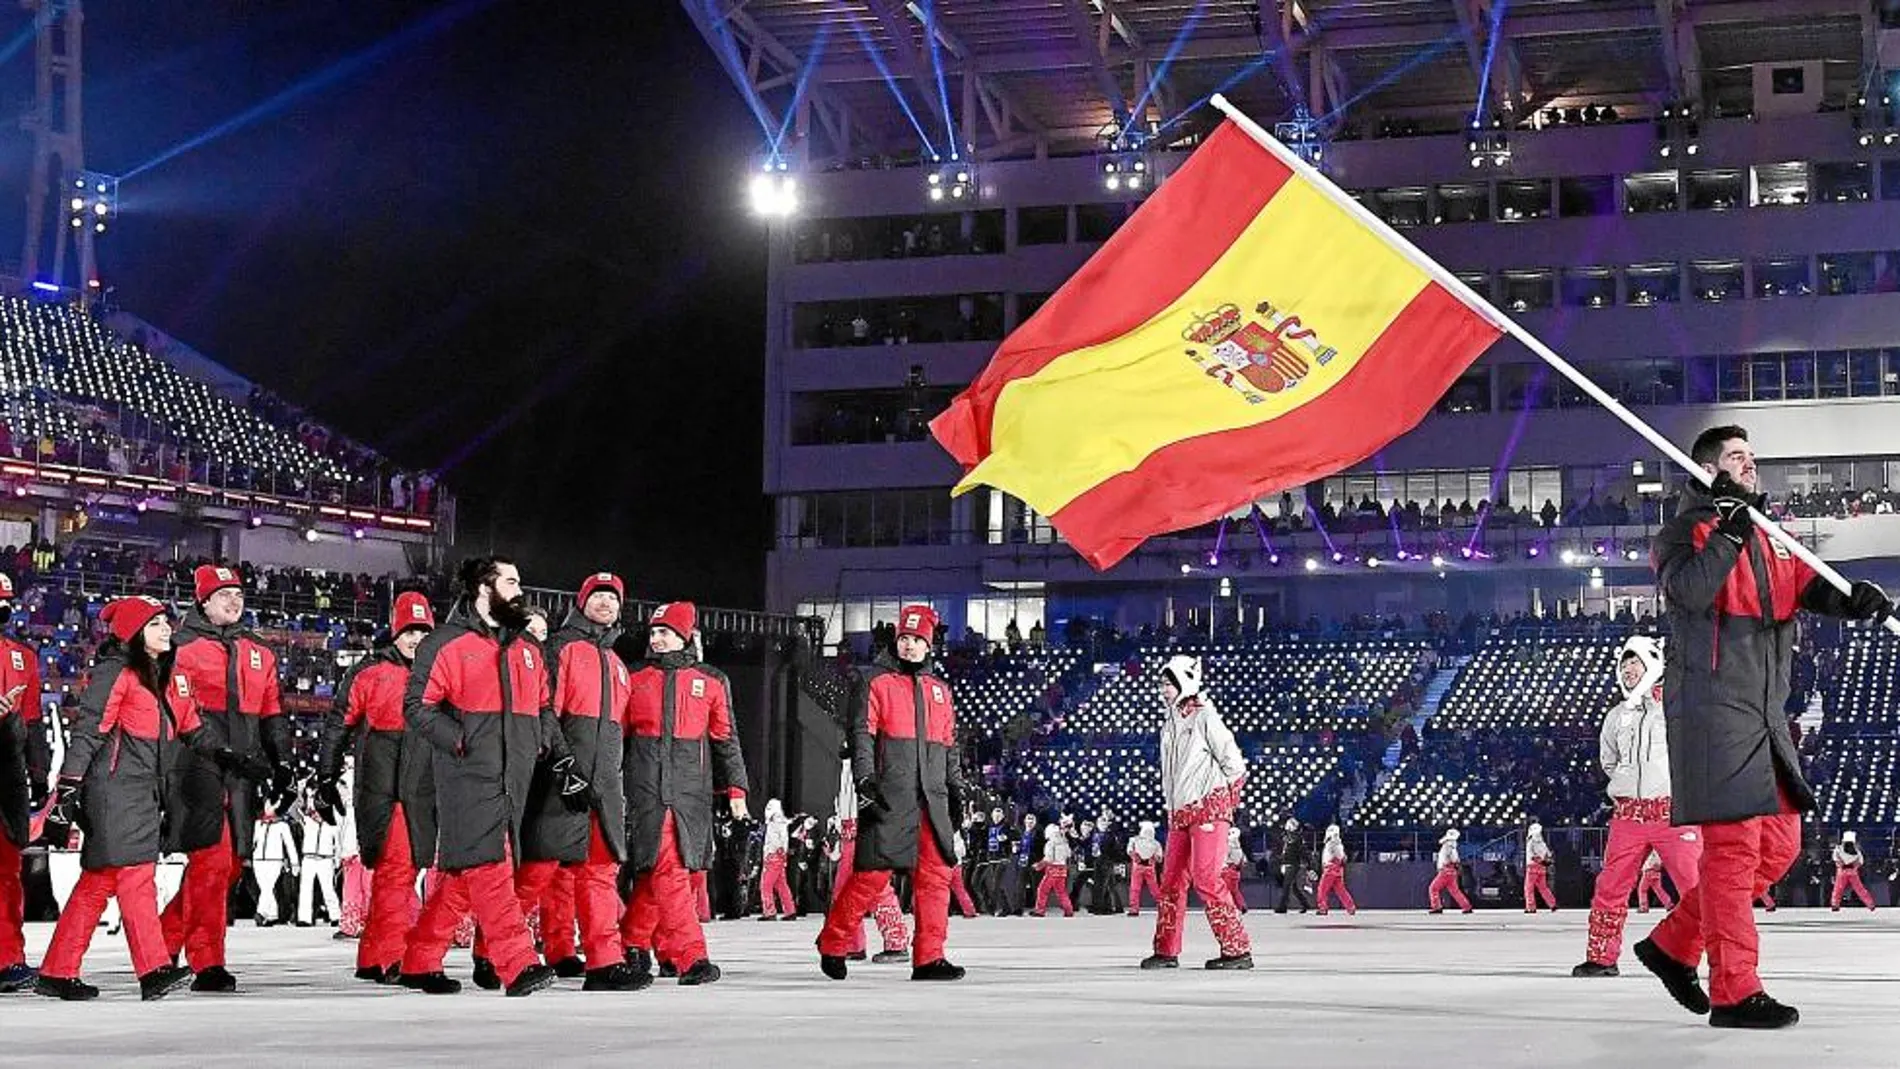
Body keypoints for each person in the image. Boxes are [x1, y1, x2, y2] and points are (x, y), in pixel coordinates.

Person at [1632, 425, 1893, 1030]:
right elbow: (1692, 593)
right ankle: (1735, 991)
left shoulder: (1773, 537)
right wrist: (1729, 527)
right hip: (1713, 709)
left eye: (1752, 458)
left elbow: (1807, 588)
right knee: (1733, 853)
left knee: (1779, 846)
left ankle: (1673, 944)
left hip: (1765, 714)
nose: (1750, 466)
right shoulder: (1685, 533)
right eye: (1735, 459)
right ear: (1708, 472)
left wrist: (1850, 599)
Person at [36, 596, 270, 1001]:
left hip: (144, 790)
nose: (167, 629)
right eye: (156, 624)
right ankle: (153, 969)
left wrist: (230, 757)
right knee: (136, 875)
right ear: (133, 632)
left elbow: (193, 729)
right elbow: (90, 733)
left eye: (166, 622)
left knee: (99, 881)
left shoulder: (171, 676)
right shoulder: (117, 673)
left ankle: (58, 970)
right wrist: (69, 786)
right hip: (113, 789)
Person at [397, 556, 561, 998]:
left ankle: (419, 960)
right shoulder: (445, 643)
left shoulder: (528, 648)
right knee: (490, 866)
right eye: (511, 581)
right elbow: (417, 706)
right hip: (467, 774)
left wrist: (542, 742)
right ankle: (517, 963)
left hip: (517, 774)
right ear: (483, 587)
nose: (519, 589)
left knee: (460, 876)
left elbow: (544, 704)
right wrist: (462, 741)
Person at [514, 572, 650, 992]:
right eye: (599, 596)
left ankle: (604, 961)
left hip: (604, 785)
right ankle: (496, 953)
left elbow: (620, 733)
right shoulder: (560, 648)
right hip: (561, 778)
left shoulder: (616, 664)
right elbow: (544, 713)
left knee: (600, 872)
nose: (606, 603)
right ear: (582, 601)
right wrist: (563, 768)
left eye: (613, 598)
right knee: (538, 871)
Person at [161, 564, 294, 993]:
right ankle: (208, 962)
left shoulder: (260, 650)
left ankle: (160, 945)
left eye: (238, 594)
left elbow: (272, 712)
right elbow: (171, 715)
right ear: (202, 600)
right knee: (212, 862)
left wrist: (283, 763)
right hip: (197, 766)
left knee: (232, 863)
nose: (234, 602)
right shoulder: (177, 647)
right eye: (223, 595)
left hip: (246, 770)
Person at [818, 604, 968, 981]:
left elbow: (950, 746)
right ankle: (833, 943)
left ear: (929, 644)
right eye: (904, 638)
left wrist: (955, 791)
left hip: (932, 798)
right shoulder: (876, 683)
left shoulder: (941, 691)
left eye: (917, 640)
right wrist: (866, 779)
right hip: (890, 795)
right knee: (871, 875)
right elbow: (862, 735)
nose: (910, 646)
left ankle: (929, 957)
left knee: (937, 876)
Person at [620, 601, 750, 986]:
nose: (657, 639)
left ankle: (630, 941)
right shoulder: (635, 677)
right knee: (670, 869)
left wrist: (737, 788)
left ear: (685, 635)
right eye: (654, 632)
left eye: (666, 632)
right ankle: (692, 956)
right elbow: (617, 739)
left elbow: (726, 739)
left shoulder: (712, 681)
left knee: (662, 874)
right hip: (646, 790)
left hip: (692, 791)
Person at [314, 591, 438, 984]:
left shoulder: (438, 674)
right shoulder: (369, 672)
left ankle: (371, 956)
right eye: (409, 630)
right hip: (382, 782)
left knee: (404, 868)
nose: (416, 638)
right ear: (395, 631)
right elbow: (339, 724)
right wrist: (326, 775)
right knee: (396, 870)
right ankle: (391, 956)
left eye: (423, 630)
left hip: (421, 781)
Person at [1573, 636, 1700, 976]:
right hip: (1628, 815)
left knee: (1696, 887)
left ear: (1653, 664)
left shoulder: (1679, 706)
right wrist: (1630, 785)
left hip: (1674, 813)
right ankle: (1601, 959)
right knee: (1610, 887)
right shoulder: (1617, 715)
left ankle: (1704, 957)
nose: (1628, 670)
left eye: (1635, 662)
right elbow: (1609, 761)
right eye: (1624, 664)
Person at [1144, 655, 1252, 971]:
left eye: (1168, 683)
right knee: (1171, 882)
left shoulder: (1206, 718)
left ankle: (1237, 949)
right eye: (1162, 684)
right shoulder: (1169, 725)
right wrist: (1170, 806)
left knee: (1206, 878)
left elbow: (1235, 763)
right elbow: (1170, 775)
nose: (1163, 690)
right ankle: (1166, 950)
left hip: (1208, 810)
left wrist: (1223, 803)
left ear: (1184, 682)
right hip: (1179, 813)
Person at [0, 571, 49, 992]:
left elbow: (32, 721)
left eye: (6, 601)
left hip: (8, 771)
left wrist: (38, 773)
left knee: (7, 869)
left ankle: (8, 958)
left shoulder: (23, 658)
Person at [828, 754, 909, 964]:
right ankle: (855, 943)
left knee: (875, 888)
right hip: (851, 831)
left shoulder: (871, 755)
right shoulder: (851, 760)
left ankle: (896, 942)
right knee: (847, 890)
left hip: (864, 828)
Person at [250, 804, 298, 927]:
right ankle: (272, 915)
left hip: (275, 859)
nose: (268, 808)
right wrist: (249, 855)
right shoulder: (258, 824)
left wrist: (294, 862)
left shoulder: (282, 826)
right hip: (258, 859)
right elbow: (253, 841)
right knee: (265, 888)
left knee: (267, 887)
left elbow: (289, 844)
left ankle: (260, 912)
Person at [297, 796, 342, 926]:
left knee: (328, 888)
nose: (317, 813)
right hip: (309, 859)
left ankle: (335, 916)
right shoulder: (307, 822)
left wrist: (337, 861)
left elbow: (337, 845)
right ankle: (304, 918)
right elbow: (295, 811)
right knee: (305, 889)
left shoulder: (332, 826)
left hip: (325, 859)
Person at [758, 799, 798, 920]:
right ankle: (790, 910)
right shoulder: (782, 822)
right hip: (779, 856)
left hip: (773, 856)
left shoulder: (774, 823)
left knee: (766, 885)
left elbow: (776, 840)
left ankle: (769, 911)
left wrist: (776, 851)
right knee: (781, 884)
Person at [1032, 825, 1075, 917]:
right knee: (1061, 891)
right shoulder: (1064, 842)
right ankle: (1069, 910)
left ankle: (1039, 911)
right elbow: (1069, 854)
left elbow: (1049, 858)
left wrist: (1039, 865)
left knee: (1042, 890)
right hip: (1063, 869)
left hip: (1052, 870)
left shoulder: (1050, 843)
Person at [1427, 829, 1472, 913]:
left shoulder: (1447, 846)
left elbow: (1453, 859)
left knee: (1433, 888)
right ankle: (1466, 906)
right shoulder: (1453, 846)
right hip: (1451, 871)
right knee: (1455, 891)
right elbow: (1455, 860)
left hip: (1445, 870)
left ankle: (1437, 907)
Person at [1315, 824, 1356, 916]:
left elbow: (1340, 856)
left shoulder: (1332, 843)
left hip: (1330, 868)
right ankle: (1350, 907)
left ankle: (1322, 908)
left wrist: (1336, 860)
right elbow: (1343, 857)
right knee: (1340, 889)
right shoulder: (1338, 843)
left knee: (1322, 889)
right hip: (1338, 869)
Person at [1275, 818, 1313, 914]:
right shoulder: (1286, 837)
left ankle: (1282, 906)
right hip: (1287, 863)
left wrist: (1308, 864)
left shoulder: (1297, 838)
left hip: (1293, 864)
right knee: (1294, 887)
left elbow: (1302, 852)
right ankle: (1305, 904)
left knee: (1286, 886)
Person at [1831, 832, 1875, 912]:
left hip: (1842, 871)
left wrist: (1841, 864)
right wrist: (1855, 866)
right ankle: (1870, 904)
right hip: (1852, 871)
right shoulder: (1856, 851)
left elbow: (1835, 859)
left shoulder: (1838, 849)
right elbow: (1861, 861)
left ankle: (1835, 905)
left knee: (1838, 889)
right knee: (1859, 888)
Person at [1126, 821, 1163, 916]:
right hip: (1138, 867)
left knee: (1154, 888)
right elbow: (1129, 850)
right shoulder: (1134, 840)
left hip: (1149, 868)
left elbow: (1159, 857)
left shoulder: (1156, 843)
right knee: (1135, 888)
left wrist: (1154, 858)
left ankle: (1162, 906)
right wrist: (1135, 856)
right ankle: (1134, 908)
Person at [1524, 823, 1556, 913]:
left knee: (1529, 888)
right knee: (1543, 887)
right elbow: (1548, 854)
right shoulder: (1543, 843)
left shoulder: (1530, 842)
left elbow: (1532, 855)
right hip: (1542, 868)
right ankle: (1552, 904)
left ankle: (1531, 907)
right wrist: (1546, 861)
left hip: (1532, 867)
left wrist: (1539, 860)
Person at [1222, 827, 1247, 912]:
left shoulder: (1228, 846)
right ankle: (1241, 905)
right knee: (1235, 891)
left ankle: (1229, 907)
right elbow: (1244, 861)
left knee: (1226, 891)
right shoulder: (1239, 849)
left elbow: (1224, 859)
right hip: (1236, 872)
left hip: (1228, 871)